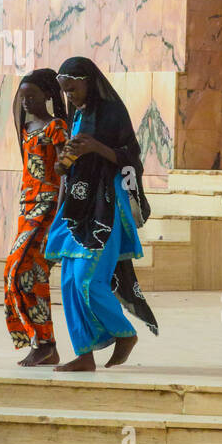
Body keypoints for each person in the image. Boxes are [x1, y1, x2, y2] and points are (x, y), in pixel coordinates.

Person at [44, 56, 158, 372]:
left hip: (105, 208)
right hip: (77, 207)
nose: (70, 97)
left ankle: (124, 334)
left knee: (87, 281)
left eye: (73, 90)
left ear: (88, 81)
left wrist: (95, 147)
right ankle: (84, 354)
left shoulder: (111, 113)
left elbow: (130, 159)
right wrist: (64, 163)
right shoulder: (78, 116)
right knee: (69, 281)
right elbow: (69, 166)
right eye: (65, 92)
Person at [3, 68, 70, 366]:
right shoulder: (26, 127)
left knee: (25, 271)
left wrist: (62, 211)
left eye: (32, 95)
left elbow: (66, 171)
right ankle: (41, 342)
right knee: (20, 275)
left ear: (47, 95)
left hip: (48, 209)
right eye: (22, 96)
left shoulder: (56, 127)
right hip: (26, 209)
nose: (27, 101)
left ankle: (46, 344)